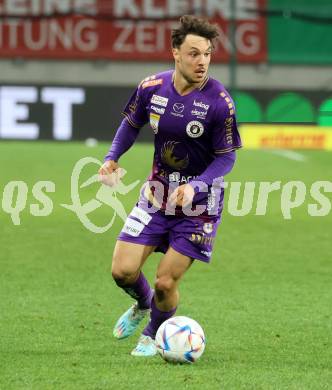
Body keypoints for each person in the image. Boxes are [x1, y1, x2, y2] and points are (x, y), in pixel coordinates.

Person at [99, 15, 242, 357]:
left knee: (166, 282)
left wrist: (198, 185)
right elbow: (130, 125)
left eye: (207, 53)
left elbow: (227, 158)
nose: (202, 61)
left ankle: (152, 333)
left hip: (199, 207)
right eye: (194, 53)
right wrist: (111, 158)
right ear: (175, 52)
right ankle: (144, 304)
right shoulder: (151, 88)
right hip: (157, 196)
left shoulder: (219, 102)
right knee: (122, 271)